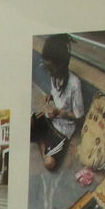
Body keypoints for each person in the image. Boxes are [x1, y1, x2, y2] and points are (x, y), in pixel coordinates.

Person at [32, 34, 85, 170]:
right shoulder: (54, 75)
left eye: (51, 68)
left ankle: (43, 142)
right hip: (51, 118)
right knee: (29, 123)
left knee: (49, 163)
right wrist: (50, 97)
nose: (49, 72)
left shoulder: (74, 83)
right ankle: (44, 142)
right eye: (47, 68)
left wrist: (59, 112)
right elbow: (57, 95)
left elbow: (78, 115)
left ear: (61, 63)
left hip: (63, 128)